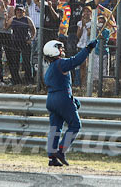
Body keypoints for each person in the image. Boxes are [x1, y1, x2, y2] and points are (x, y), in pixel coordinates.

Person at [43, 38, 98, 167]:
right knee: (75, 125)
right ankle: (61, 151)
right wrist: (88, 49)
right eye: (60, 48)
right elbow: (76, 61)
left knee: (55, 129)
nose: (62, 50)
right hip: (62, 98)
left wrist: (71, 99)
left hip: (51, 99)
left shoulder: (50, 67)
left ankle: (52, 157)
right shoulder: (60, 63)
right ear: (54, 51)